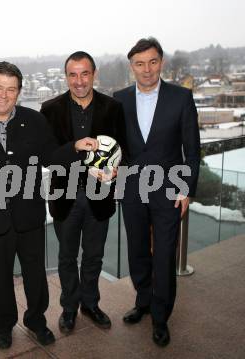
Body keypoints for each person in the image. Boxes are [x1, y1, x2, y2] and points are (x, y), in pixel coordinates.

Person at [0, 61, 96, 349]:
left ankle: (36, 321)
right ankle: (3, 326)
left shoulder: (34, 120)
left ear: (19, 92)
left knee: (35, 274)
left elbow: (50, 155)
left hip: (30, 214)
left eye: (11, 89)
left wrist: (74, 147)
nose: (3, 95)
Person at [113, 37, 200, 347]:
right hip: (132, 189)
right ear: (132, 67)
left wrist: (186, 189)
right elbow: (115, 147)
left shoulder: (181, 97)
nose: (146, 69)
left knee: (163, 256)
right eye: (139, 63)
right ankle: (143, 301)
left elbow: (191, 150)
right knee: (137, 250)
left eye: (152, 62)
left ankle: (161, 317)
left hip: (168, 193)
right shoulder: (119, 99)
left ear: (161, 62)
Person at [40, 51, 127, 334]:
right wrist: (75, 147)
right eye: (73, 74)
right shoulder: (50, 109)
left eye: (84, 73)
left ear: (94, 74)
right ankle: (69, 309)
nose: (79, 81)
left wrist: (116, 171)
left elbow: (123, 151)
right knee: (66, 258)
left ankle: (90, 304)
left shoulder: (112, 108)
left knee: (94, 256)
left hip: (99, 196)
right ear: (66, 77)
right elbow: (47, 157)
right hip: (64, 198)